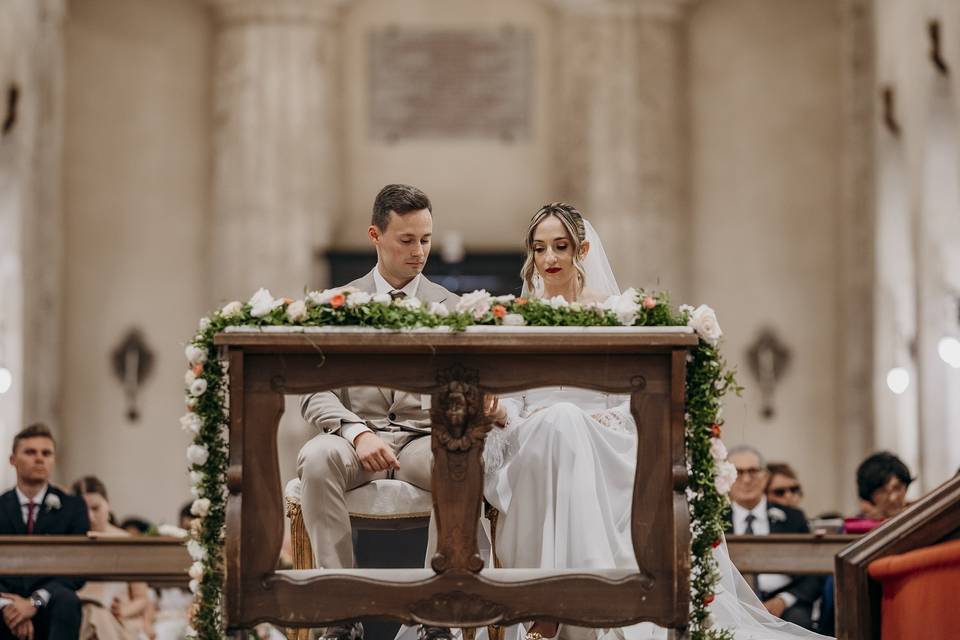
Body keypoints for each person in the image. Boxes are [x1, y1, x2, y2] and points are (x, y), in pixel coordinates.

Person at [478, 203, 831, 640]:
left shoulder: (614, 313)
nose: (549, 258)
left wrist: (589, 422)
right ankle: (567, 603)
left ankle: (557, 611)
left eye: (560, 246)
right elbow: (514, 402)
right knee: (558, 424)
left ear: (582, 249)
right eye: (540, 248)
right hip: (531, 443)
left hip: (603, 438)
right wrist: (498, 411)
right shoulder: (514, 316)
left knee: (569, 424)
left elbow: (632, 394)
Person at [298, 184, 459, 640]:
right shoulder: (336, 305)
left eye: (425, 239)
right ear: (376, 235)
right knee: (315, 457)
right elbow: (313, 391)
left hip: (422, 442)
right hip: (357, 439)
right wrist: (355, 432)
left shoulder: (455, 308)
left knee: (458, 462)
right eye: (406, 240)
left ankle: (436, 614)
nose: (419, 251)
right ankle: (340, 613)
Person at [0, 423, 89, 640]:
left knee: (68, 601)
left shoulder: (72, 507)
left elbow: (78, 567)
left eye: (46, 453)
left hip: (51, 600)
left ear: (53, 460)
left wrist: (34, 602)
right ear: (13, 460)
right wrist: (8, 606)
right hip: (4, 600)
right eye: (30, 452)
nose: (39, 458)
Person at [724, 446, 823, 631]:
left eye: (753, 471)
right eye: (738, 472)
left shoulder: (793, 518)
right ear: (727, 477)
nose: (746, 479)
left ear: (765, 477)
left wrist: (784, 600)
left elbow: (813, 574)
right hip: (733, 604)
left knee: (798, 624)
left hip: (784, 604)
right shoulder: (716, 520)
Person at [72, 476, 154, 639]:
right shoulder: (68, 541)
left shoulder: (126, 542)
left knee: (96, 616)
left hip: (116, 618)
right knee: (91, 613)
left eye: (96, 508)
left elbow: (141, 598)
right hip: (78, 616)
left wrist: (124, 609)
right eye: (83, 510)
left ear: (108, 505)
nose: (90, 517)